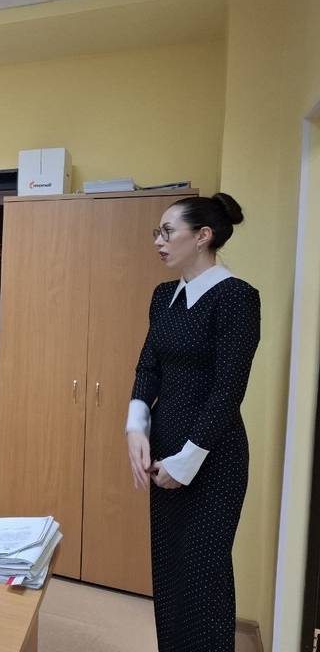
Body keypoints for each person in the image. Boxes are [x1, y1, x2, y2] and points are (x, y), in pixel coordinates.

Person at [126, 193, 260, 651]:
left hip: (213, 456)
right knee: (170, 573)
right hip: (164, 448)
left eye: (168, 232)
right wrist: (136, 427)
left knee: (204, 578)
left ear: (203, 236)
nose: (158, 241)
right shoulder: (163, 295)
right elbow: (148, 367)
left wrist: (187, 461)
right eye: (158, 233)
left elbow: (228, 389)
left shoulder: (236, 297)